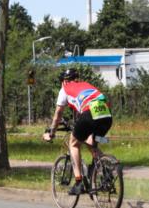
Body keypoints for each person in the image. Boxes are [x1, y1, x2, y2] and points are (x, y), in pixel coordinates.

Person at [42, 68, 113, 196]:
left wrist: (51, 133)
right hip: (106, 115)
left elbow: (58, 114)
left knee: (73, 144)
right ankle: (105, 170)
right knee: (91, 140)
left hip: (89, 113)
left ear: (64, 81)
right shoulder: (86, 85)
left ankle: (78, 183)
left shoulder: (65, 88)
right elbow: (101, 102)